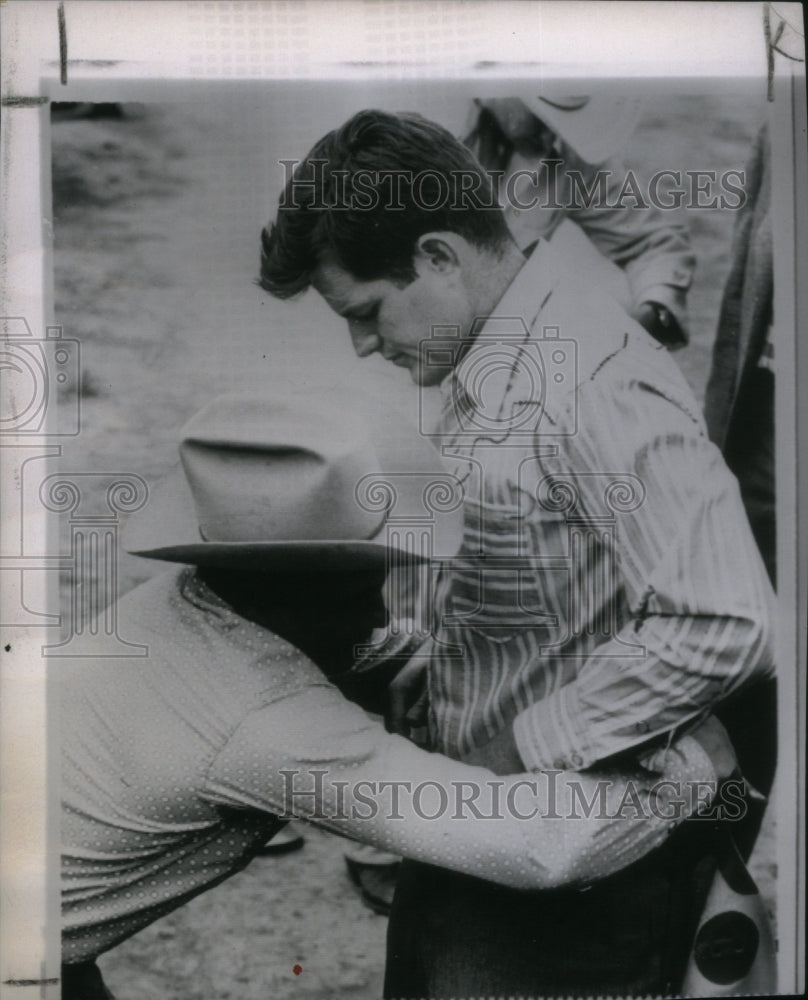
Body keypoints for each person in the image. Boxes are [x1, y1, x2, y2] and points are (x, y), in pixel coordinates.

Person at [259, 109, 776, 998]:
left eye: (368, 313)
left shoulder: (592, 383)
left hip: (583, 866)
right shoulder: (490, 350)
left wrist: (518, 749)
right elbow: (535, 551)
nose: (365, 344)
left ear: (439, 257)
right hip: (490, 827)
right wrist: (437, 661)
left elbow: (725, 621)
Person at [59, 392, 730, 1000]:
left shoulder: (174, 606)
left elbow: (327, 647)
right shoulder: (273, 725)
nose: (378, 607)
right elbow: (536, 847)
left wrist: (422, 664)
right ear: (313, 593)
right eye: (360, 585)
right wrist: (689, 770)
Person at [463, 93, 696, 348]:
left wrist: (654, 308)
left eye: (566, 121)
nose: (550, 136)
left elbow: (652, 239)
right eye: (541, 118)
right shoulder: (431, 123)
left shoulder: (569, 149)